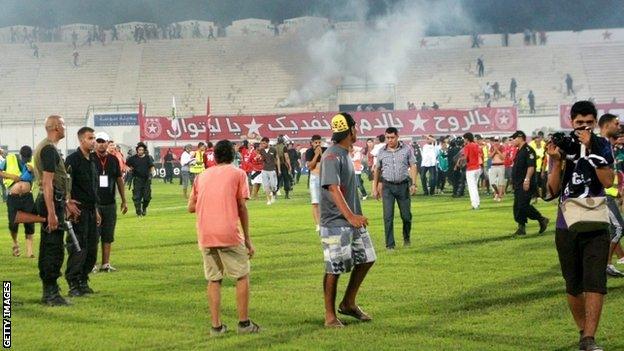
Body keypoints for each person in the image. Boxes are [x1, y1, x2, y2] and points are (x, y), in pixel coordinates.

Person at [546, 101, 614, 351]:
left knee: (595, 281)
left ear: (595, 122)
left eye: (588, 123)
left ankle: (589, 338)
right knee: (573, 282)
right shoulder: (564, 147)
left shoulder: (603, 145)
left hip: (595, 219)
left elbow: (608, 182)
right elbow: (552, 190)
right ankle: (583, 332)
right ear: (571, 122)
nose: (583, 127)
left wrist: (591, 150)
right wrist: (556, 162)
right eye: (578, 123)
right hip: (567, 220)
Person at [188, 140, 259, 336]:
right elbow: (242, 206)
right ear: (232, 156)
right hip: (228, 232)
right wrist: (247, 239)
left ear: (215, 156)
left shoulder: (201, 177)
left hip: (206, 233)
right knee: (242, 276)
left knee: (213, 279)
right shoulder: (238, 174)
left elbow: (191, 207)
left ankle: (216, 327)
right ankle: (244, 324)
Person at [319, 113, 376, 328]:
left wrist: (354, 216)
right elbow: (332, 188)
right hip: (335, 222)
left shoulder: (343, 153)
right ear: (351, 129)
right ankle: (329, 316)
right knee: (334, 268)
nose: (357, 131)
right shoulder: (332, 156)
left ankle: (348, 303)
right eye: (356, 127)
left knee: (367, 258)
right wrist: (350, 216)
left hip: (350, 220)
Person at [34, 115, 79, 305]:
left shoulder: (47, 147)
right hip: (50, 202)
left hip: (52, 201)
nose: (64, 128)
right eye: (62, 124)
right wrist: (52, 213)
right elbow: (47, 183)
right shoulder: (49, 150)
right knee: (53, 247)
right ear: (54, 127)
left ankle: (50, 289)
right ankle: (51, 293)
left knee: (50, 246)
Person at [64, 127, 101, 297]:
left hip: (91, 210)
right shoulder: (72, 160)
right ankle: (73, 284)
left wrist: (96, 210)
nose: (93, 141)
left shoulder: (93, 159)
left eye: (94, 138)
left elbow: (93, 188)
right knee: (78, 248)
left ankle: (83, 281)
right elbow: (65, 185)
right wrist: (67, 204)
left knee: (92, 248)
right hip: (78, 212)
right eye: (90, 138)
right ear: (81, 140)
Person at [373, 127, 418, 249]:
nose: (390, 140)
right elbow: (377, 170)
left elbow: (413, 165)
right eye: (387, 138)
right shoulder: (381, 151)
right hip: (387, 187)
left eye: (392, 137)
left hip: (403, 186)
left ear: (397, 136)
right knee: (388, 216)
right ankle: (390, 245)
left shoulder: (407, 149)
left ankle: (406, 237)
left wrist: (414, 184)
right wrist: (375, 187)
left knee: (406, 216)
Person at [93, 132, 128, 273]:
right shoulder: (90, 158)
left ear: (108, 143)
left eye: (104, 141)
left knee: (108, 235)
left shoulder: (113, 160)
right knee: (94, 235)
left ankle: (105, 264)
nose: (101, 144)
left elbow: (119, 179)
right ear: (95, 142)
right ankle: (92, 264)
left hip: (110, 203)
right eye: (99, 141)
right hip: (94, 203)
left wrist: (124, 200)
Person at [597, 113, 624, 277]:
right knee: (619, 228)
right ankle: (605, 264)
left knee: (611, 229)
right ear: (607, 126)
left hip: (608, 194)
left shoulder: (606, 145)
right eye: (616, 123)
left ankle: (605, 263)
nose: (619, 126)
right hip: (602, 195)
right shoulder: (600, 145)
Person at [509, 131, 549, 236]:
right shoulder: (519, 151)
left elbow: (531, 166)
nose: (512, 141)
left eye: (513, 138)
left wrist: (527, 180)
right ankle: (521, 228)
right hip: (518, 183)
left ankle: (542, 219)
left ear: (520, 138)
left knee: (523, 205)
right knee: (517, 206)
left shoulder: (528, 150)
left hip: (525, 183)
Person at [0, 146, 36, 257]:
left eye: (28, 158)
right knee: (13, 223)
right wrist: (11, 176)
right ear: (20, 155)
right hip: (13, 197)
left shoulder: (33, 161)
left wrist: (33, 170)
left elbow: (41, 173)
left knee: (29, 223)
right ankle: (15, 243)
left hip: (27, 197)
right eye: (25, 158)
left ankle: (30, 252)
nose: (26, 160)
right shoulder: (10, 159)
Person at [126, 142, 155, 216]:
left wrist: (153, 171)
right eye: (139, 150)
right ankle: (138, 211)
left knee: (147, 197)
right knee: (136, 197)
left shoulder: (148, 157)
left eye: (142, 150)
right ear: (137, 150)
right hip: (137, 179)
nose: (140, 151)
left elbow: (151, 166)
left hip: (146, 180)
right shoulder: (132, 158)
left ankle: (144, 208)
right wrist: (128, 169)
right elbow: (126, 165)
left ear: (144, 150)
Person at [305, 135, 324, 231]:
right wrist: (316, 155)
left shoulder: (325, 150)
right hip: (314, 178)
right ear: (312, 143)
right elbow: (310, 167)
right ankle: (318, 224)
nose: (318, 144)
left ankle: (325, 222)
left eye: (319, 142)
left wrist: (321, 154)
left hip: (325, 178)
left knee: (325, 202)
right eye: (316, 142)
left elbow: (328, 164)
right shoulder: (309, 152)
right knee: (315, 202)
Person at [256, 137, 280, 205]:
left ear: (267, 143)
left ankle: (273, 195)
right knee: (266, 185)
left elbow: (277, 159)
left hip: (272, 169)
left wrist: (279, 169)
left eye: (264, 143)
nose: (262, 145)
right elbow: (260, 159)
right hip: (264, 170)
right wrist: (258, 158)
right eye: (262, 143)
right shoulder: (261, 150)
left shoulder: (273, 149)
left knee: (273, 186)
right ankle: (268, 200)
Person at [463, 133, 482, 209]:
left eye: (464, 138)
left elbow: (466, 158)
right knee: (475, 187)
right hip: (477, 167)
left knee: (471, 188)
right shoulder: (476, 145)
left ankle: (475, 204)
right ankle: (477, 203)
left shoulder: (467, 146)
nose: (464, 140)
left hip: (471, 169)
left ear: (467, 139)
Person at [529, 132, 547, 199]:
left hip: (543, 167)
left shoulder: (544, 144)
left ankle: (543, 195)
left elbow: (545, 155)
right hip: (534, 167)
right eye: (536, 138)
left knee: (542, 182)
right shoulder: (531, 144)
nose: (537, 139)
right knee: (535, 182)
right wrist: (535, 157)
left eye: (538, 137)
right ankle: (535, 195)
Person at [488, 136, 506, 201]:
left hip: (501, 165)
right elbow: (489, 156)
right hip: (493, 166)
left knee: (501, 182)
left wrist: (497, 151)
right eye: (495, 140)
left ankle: (500, 196)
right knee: (492, 182)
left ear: (499, 141)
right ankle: (497, 193)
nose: (496, 142)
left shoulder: (502, 147)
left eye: (497, 140)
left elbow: (503, 157)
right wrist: (494, 151)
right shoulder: (492, 148)